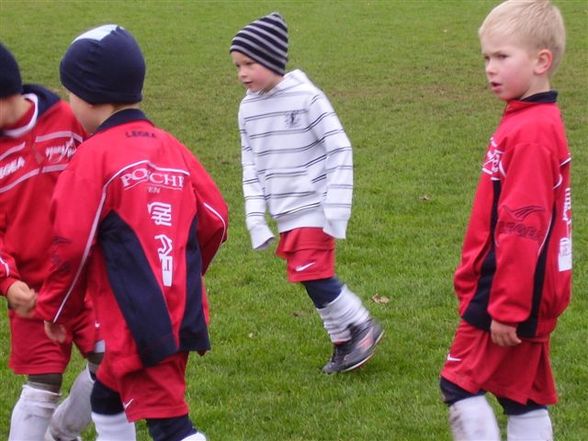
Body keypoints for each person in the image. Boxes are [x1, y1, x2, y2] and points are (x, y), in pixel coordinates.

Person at [32, 25, 228, 441]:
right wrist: (181, 269)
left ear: (87, 94)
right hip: (179, 302)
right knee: (108, 394)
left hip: (139, 315)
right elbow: (216, 218)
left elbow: (71, 245)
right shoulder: (172, 147)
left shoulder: (92, 158)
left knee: (170, 424)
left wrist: (56, 309)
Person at [439, 1, 572, 440]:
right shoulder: (531, 120)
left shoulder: (532, 133)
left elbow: (523, 227)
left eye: (502, 56)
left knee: (458, 384)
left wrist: (507, 309)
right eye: (486, 58)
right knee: (523, 396)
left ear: (541, 61)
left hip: (505, 291)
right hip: (527, 291)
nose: (490, 68)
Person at [229, 12, 383, 374]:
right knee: (308, 279)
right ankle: (343, 342)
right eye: (237, 66)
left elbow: (339, 146)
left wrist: (336, 204)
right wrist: (255, 217)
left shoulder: (307, 98)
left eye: (249, 63)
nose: (242, 73)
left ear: (271, 59)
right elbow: (250, 165)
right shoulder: (247, 110)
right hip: (285, 211)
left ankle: (362, 325)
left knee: (314, 274)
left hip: (314, 205)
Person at [0, 42, 104, 441]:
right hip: (33, 291)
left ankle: (63, 431)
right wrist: (9, 284)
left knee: (111, 365)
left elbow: (101, 174)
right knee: (42, 382)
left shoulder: (65, 118)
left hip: (88, 280)